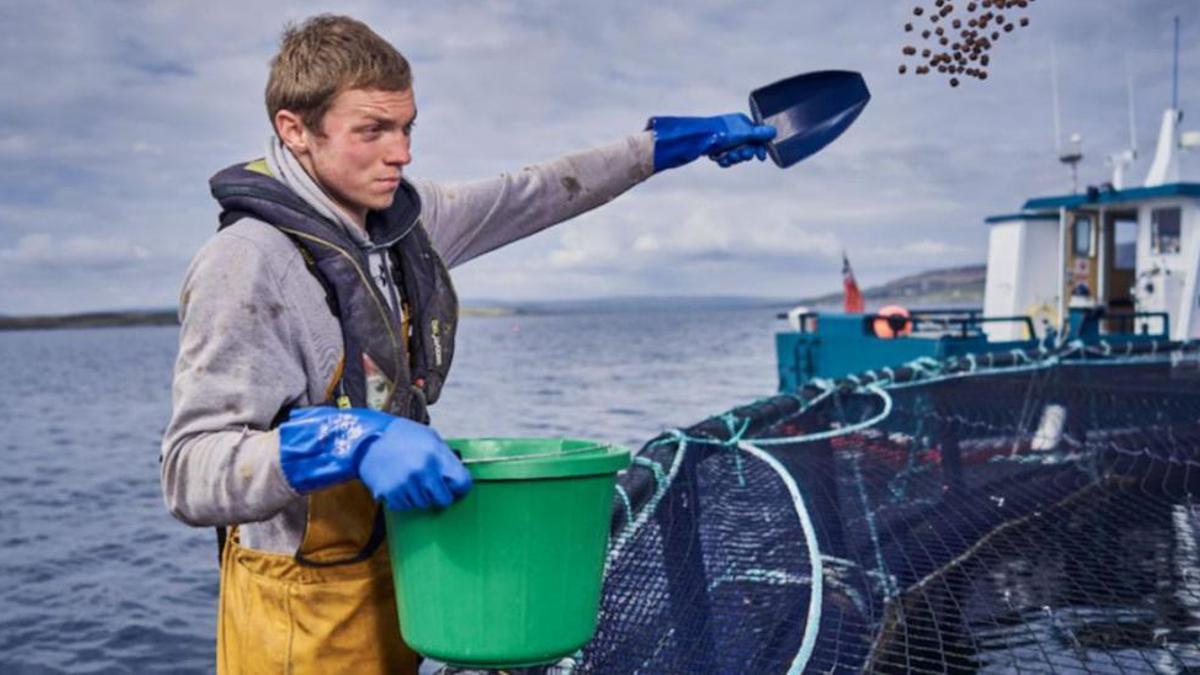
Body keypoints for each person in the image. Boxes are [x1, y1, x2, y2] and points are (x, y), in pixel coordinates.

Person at [161, 14, 775, 675]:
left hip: (397, 582)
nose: (401, 153)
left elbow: (538, 191)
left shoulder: (403, 224)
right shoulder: (247, 263)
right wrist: (351, 439)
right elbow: (191, 470)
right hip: (294, 619)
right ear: (295, 130)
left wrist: (659, 148)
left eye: (407, 127)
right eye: (372, 130)